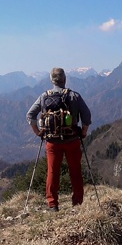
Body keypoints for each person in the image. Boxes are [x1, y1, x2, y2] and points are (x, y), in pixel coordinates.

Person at [26, 67, 92, 212]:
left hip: (52, 141)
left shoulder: (44, 97)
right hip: (72, 140)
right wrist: (84, 133)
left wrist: (38, 132)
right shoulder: (74, 96)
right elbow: (87, 117)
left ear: (51, 80)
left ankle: (52, 204)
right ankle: (78, 202)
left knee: (52, 171)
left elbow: (30, 115)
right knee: (75, 171)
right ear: (65, 79)